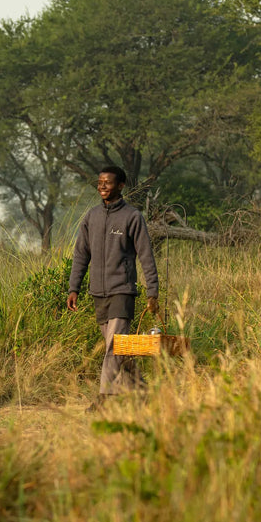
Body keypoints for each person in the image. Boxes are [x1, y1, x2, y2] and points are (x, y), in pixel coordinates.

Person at [67, 166, 159, 409]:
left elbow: (146, 255)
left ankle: (104, 400)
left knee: (113, 348)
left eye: (107, 183)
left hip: (122, 291)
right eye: (99, 183)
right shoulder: (91, 217)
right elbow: (80, 256)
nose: (102, 187)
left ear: (120, 186)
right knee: (122, 350)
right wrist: (73, 288)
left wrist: (152, 291)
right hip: (97, 292)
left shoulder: (132, 217)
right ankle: (142, 395)